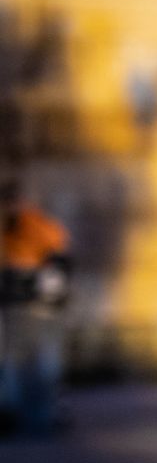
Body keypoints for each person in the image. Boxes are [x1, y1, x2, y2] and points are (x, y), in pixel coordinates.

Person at [0, 182, 72, 435]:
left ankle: (45, 413)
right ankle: (24, 412)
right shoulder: (14, 231)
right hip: (21, 307)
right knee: (22, 361)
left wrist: (46, 300)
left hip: (35, 306)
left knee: (42, 361)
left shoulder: (42, 228)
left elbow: (57, 269)